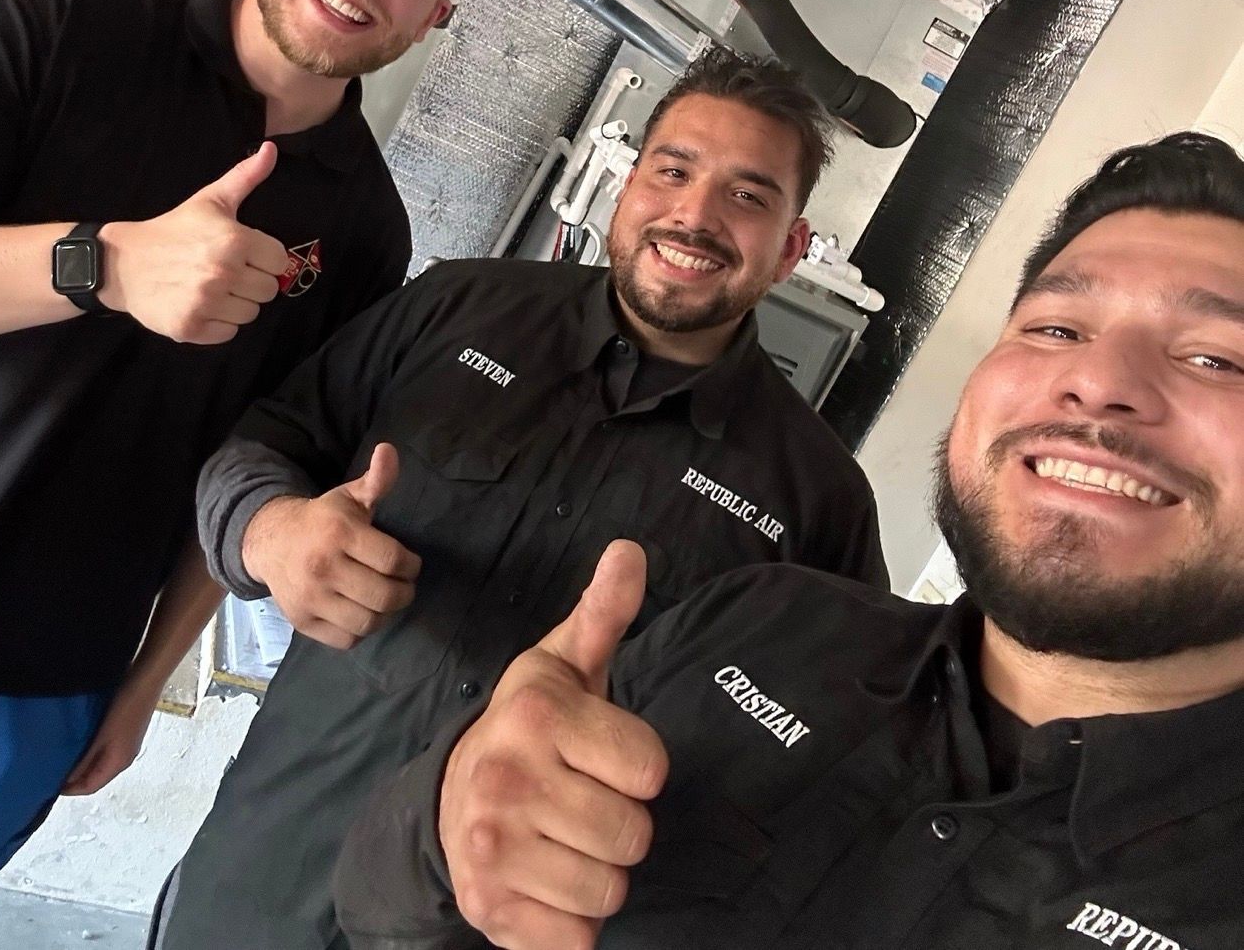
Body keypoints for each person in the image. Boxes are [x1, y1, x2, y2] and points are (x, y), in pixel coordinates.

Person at [337, 130, 1244, 950]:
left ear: (790, 244)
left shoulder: (814, 487)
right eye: (1055, 326)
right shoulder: (764, 612)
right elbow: (376, 902)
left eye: (1217, 358)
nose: (1096, 377)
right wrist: (446, 807)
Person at [154, 48, 887, 950]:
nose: (694, 215)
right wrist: (272, 534)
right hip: (259, 878)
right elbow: (264, 445)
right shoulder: (457, 305)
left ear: (790, 250)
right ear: (626, 189)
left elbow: (823, 769)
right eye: (673, 170)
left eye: (749, 194)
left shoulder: (819, 502)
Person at [0, 0, 485, 920]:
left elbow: (263, 461)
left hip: (45, 670)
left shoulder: (368, 228)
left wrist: (146, 678)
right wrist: (101, 261)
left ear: (433, 15)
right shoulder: (57, 24)